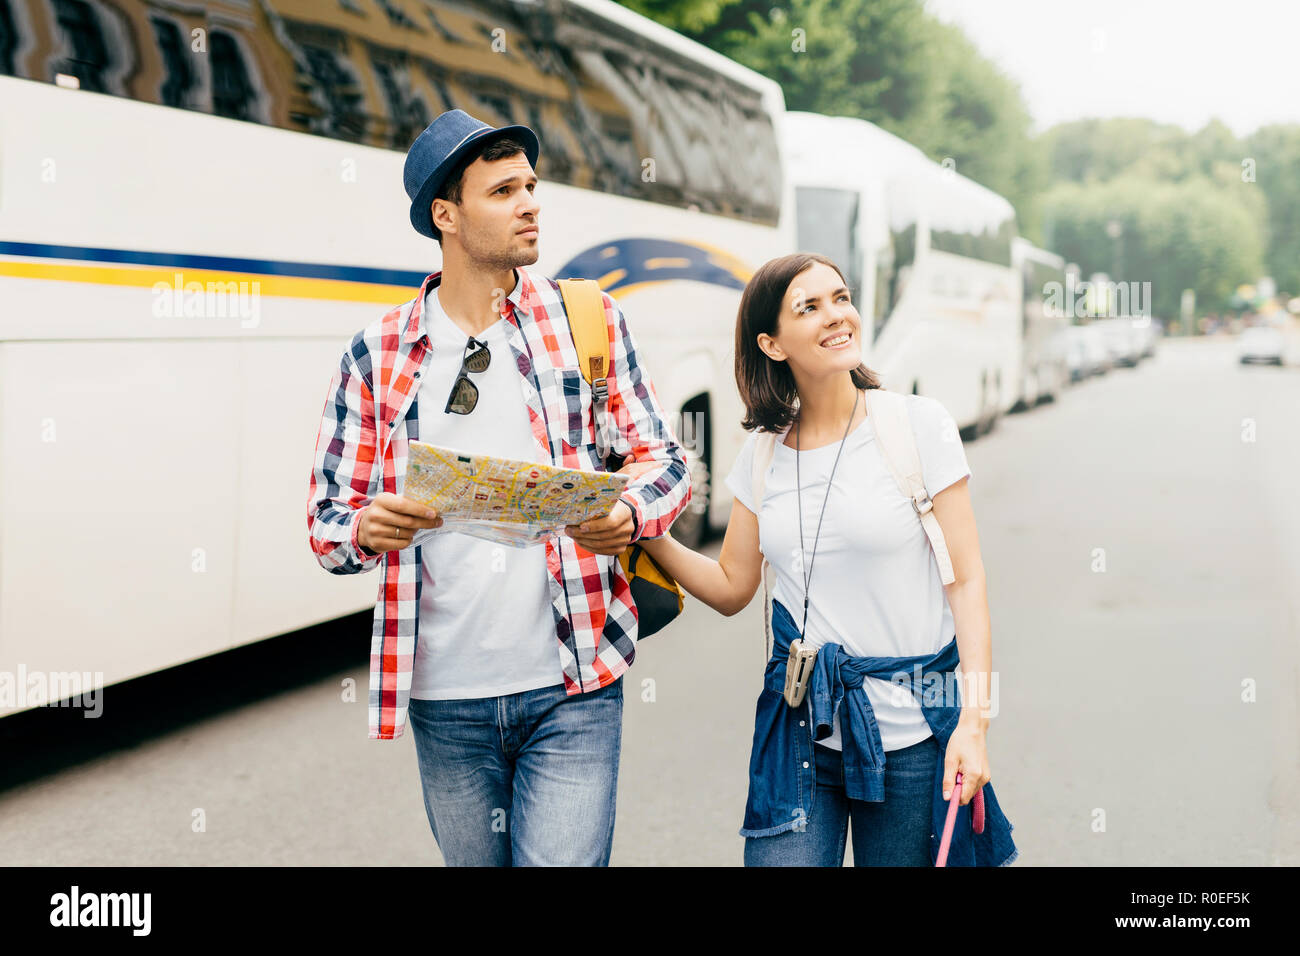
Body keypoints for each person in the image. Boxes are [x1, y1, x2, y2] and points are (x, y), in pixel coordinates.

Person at [305, 109, 692, 866]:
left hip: (574, 680)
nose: (530, 203)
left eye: (531, 186)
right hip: (445, 698)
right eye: (503, 190)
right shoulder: (376, 352)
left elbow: (665, 460)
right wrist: (367, 527)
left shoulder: (587, 320)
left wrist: (628, 511)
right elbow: (326, 523)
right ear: (445, 216)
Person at [635, 252, 1017, 866]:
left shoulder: (918, 426)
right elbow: (734, 586)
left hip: (912, 736)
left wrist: (975, 721)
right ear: (773, 343)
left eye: (840, 298)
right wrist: (646, 531)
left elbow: (967, 580)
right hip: (800, 732)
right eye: (808, 307)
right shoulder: (761, 455)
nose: (836, 316)